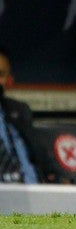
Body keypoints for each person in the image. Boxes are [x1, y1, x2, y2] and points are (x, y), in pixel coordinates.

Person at [0, 46, 58, 184]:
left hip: (35, 194)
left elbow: (41, 157)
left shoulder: (18, 110)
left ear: (8, 80)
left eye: (0, 74)